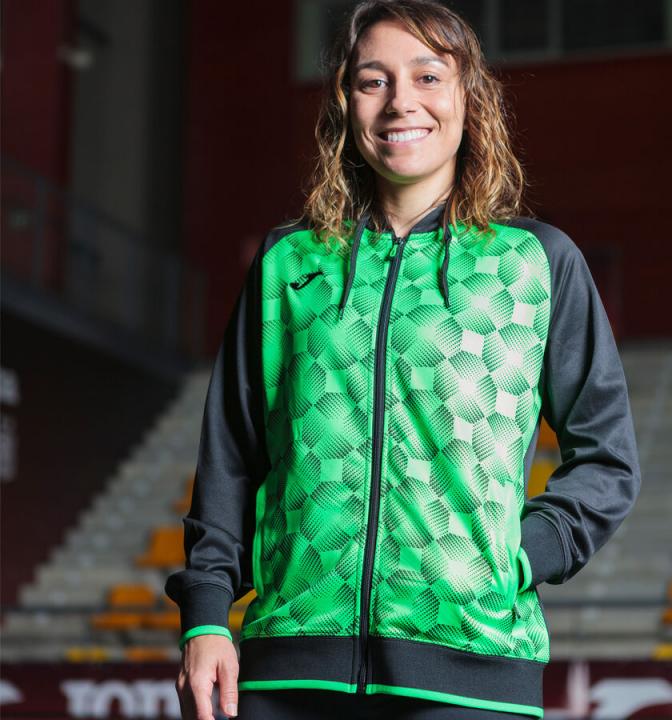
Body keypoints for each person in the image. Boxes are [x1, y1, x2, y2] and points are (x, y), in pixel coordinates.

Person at [164, 1, 642, 718]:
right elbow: (231, 455)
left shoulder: (535, 263)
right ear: (346, 104)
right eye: (373, 81)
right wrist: (205, 616)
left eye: (427, 76)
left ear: (468, 98)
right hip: (290, 673)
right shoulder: (289, 262)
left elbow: (608, 459)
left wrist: (513, 561)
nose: (400, 103)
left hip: (472, 672)